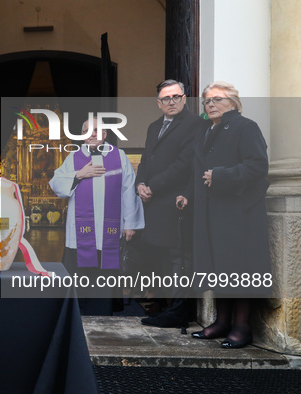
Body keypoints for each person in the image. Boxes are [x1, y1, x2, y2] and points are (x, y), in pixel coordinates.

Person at [176, 81, 271, 349]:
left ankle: (242, 327)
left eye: (217, 99)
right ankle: (222, 321)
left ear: (234, 103)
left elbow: (257, 166)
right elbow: (197, 172)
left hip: (239, 214)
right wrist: (188, 194)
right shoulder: (205, 131)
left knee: (238, 269)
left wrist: (221, 176)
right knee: (219, 268)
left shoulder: (245, 126)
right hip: (211, 214)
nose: (211, 104)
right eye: (207, 101)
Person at [49, 119, 144, 315]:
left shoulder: (119, 156)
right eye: (86, 131)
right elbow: (56, 183)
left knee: (106, 268)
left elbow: (129, 190)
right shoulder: (73, 157)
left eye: (96, 130)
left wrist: (130, 224)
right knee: (80, 269)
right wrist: (79, 174)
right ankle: (78, 309)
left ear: (105, 134)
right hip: (80, 230)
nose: (91, 134)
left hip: (109, 228)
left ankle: (104, 308)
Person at [136, 80, 206, 328]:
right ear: (159, 103)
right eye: (166, 98)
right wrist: (140, 183)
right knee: (160, 257)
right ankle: (165, 307)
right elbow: (146, 159)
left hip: (178, 202)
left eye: (176, 97)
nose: (172, 102)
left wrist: (152, 186)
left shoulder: (196, 124)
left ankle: (179, 312)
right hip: (154, 203)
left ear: (185, 99)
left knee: (180, 259)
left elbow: (184, 164)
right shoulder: (154, 126)